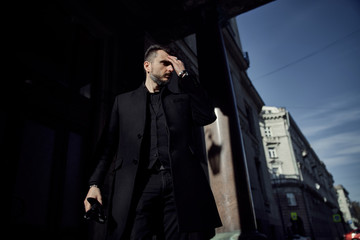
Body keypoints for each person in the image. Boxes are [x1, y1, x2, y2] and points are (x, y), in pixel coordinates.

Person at [84, 44, 222, 240]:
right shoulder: (122, 102)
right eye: (165, 63)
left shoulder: (180, 101)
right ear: (147, 66)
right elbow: (108, 145)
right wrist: (94, 184)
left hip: (178, 185)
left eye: (172, 65)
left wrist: (186, 77)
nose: (170, 69)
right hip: (139, 184)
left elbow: (207, 115)